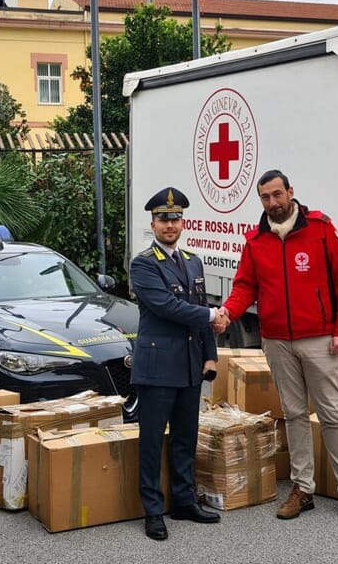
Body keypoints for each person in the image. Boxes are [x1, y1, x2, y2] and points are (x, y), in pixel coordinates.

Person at [220, 170, 338, 526]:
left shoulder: (320, 229)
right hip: (277, 341)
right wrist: (227, 313)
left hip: (319, 338)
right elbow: (245, 287)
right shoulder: (256, 240)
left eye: (277, 194)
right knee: (294, 415)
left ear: (290, 192)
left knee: (331, 414)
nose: (272, 203)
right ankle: (303, 488)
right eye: (265, 197)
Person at [129, 187, 227, 542]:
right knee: (152, 441)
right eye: (163, 219)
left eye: (175, 218)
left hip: (188, 366)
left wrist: (210, 354)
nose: (170, 225)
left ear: (183, 222)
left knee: (186, 437)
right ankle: (153, 511)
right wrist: (213, 314)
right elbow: (167, 307)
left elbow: (197, 311)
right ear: (153, 223)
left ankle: (184, 501)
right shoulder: (143, 263)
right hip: (157, 367)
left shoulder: (192, 261)